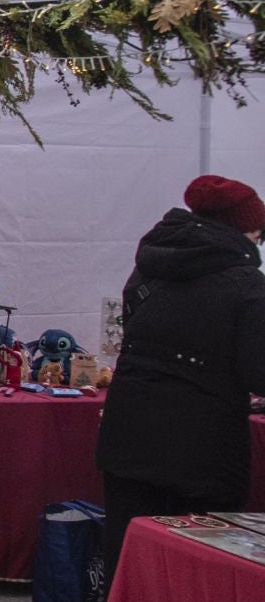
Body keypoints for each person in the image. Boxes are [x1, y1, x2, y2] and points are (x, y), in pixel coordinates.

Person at [96, 175, 265, 581]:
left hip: (130, 431)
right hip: (200, 447)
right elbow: (258, 370)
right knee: (195, 559)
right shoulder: (246, 285)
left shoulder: (150, 267)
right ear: (245, 229)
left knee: (131, 545)